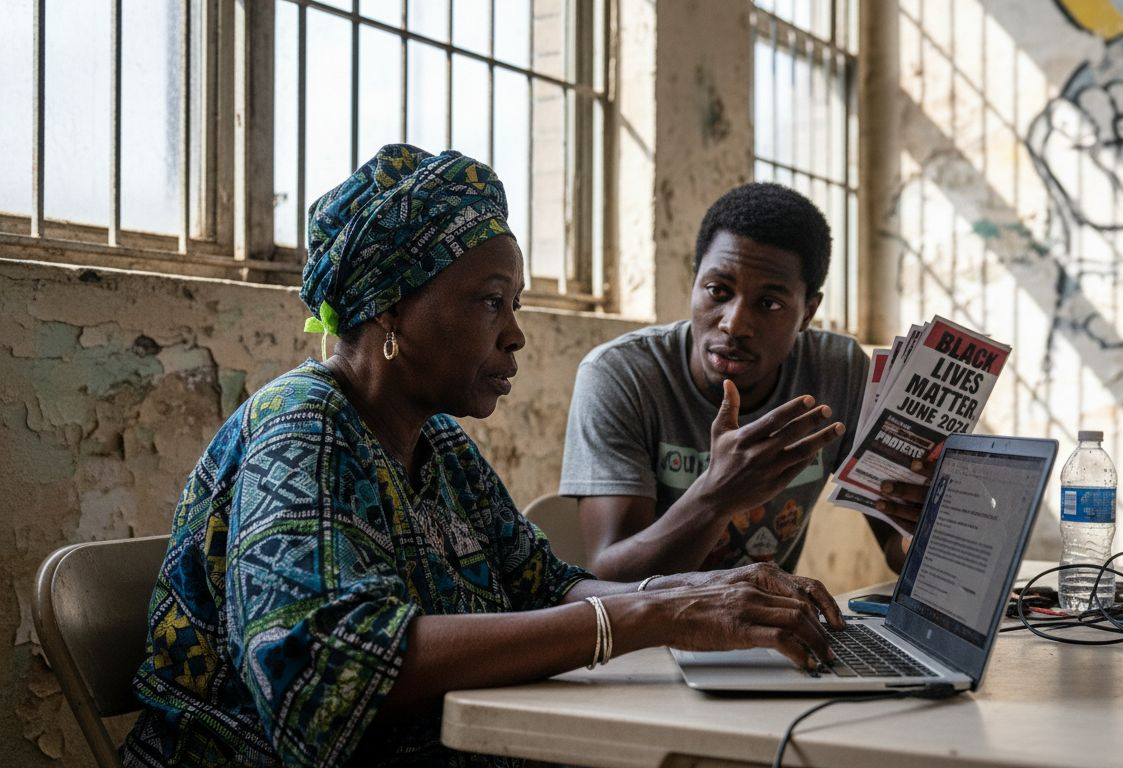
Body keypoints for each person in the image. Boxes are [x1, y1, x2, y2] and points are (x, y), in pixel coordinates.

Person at [120, 147, 848, 768]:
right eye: (490, 303)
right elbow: (324, 668)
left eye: (517, 306)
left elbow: (546, 584)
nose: (515, 336)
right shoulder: (301, 428)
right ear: (390, 309)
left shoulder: (437, 446)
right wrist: (650, 615)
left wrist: (714, 601)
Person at [560, 182, 931, 582]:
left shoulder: (837, 371)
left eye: (769, 304)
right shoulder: (622, 376)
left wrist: (925, 525)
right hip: (652, 635)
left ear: (808, 313)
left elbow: (897, 551)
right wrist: (717, 494)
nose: (734, 324)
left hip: (764, 628)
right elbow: (612, 576)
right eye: (718, 291)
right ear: (694, 280)